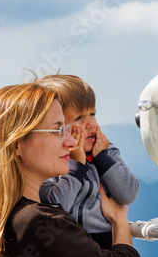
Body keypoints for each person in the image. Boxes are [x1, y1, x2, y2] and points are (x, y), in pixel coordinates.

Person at [0, 83, 140, 257]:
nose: (70, 142)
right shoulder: (39, 223)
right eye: (57, 130)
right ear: (16, 144)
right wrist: (120, 221)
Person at [36, 74, 140, 249]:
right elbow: (57, 207)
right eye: (79, 118)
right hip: (69, 243)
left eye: (92, 114)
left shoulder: (105, 152)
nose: (90, 123)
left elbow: (129, 194)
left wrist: (102, 158)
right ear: (59, 127)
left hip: (109, 240)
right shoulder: (53, 161)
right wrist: (77, 165)